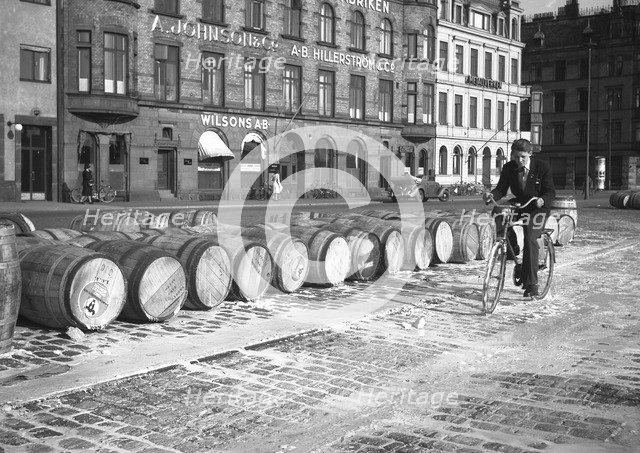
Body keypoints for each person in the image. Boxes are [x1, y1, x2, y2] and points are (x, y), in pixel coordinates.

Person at [483, 139, 556, 298]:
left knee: (530, 237)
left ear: (530, 154)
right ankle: (511, 247)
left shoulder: (542, 167)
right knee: (498, 210)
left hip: (537, 207)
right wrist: (491, 196)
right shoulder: (509, 167)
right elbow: (501, 189)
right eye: (515, 157)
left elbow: (550, 192)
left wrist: (543, 199)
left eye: (522, 157)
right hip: (520, 203)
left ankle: (532, 284)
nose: (519, 160)